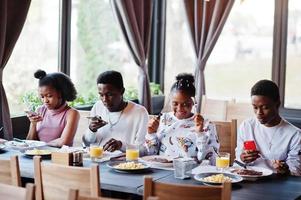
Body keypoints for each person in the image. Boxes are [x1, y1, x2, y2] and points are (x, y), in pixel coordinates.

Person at [144, 73, 219, 163]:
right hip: (162, 171)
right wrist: (151, 133)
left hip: (190, 172)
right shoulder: (162, 120)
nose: (179, 109)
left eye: (185, 104)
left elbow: (211, 160)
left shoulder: (206, 125)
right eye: (175, 103)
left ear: (193, 102)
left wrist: (200, 133)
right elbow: (151, 155)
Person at [235, 79, 301, 176]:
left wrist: (285, 169)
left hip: (277, 183)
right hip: (249, 179)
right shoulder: (247, 126)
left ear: (277, 104)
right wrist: (242, 157)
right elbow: (238, 160)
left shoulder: (295, 135)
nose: (259, 113)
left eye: (265, 107)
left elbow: (296, 170)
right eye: (255, 107)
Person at [82, 70, 149, 152]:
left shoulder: (140, 113)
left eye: (110, 94)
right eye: (101, 95)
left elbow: (144, 150)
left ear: (122, 91)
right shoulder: (97, 106)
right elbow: (86, 143)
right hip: (97, 158)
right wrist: (91, 130)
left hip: (124, 163)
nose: (104, 100)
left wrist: (121, 145)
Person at [26, 70, 80, 147]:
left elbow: (64, 142)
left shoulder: (71, 113)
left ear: (61, 93)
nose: (45, 101)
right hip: (38, 155)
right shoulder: (40, 110)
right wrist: (33, 124)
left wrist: (41, 146)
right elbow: (29, 142)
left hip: (59, 157)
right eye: (42, 96)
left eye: (49, 96)